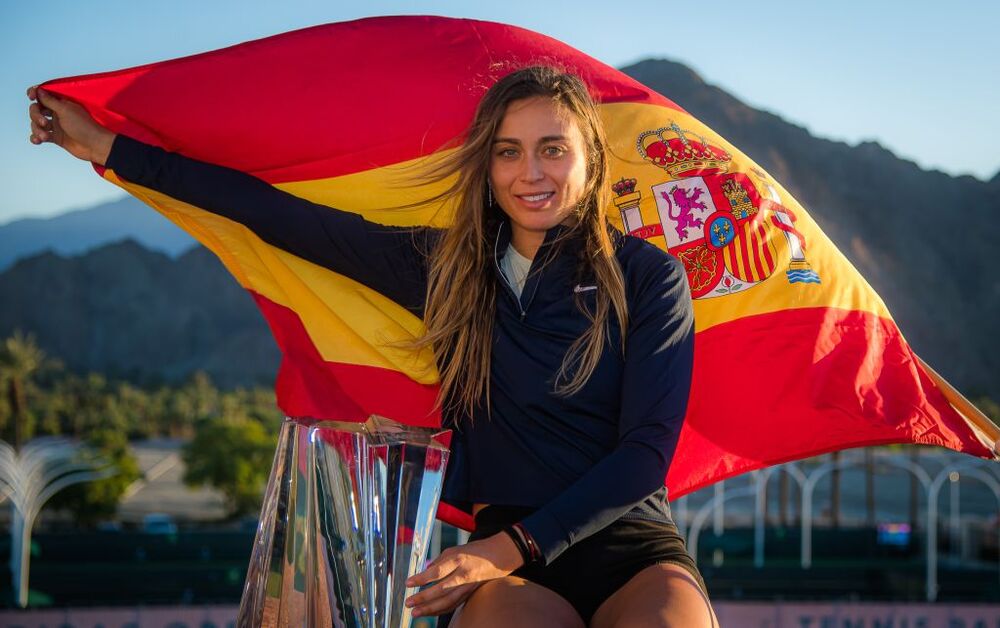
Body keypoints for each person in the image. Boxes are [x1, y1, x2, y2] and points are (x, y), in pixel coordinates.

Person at [27, 66, 717, 627]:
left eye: (552, 149)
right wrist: (109, 149)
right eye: (509, 151)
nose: (529, 173)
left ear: (590, 160)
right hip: (506, 560)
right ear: (487, 165)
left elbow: (645, 453)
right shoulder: (445, 269)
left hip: (630, 547)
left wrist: (507, 549)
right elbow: (275, 214)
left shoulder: (645, 276)